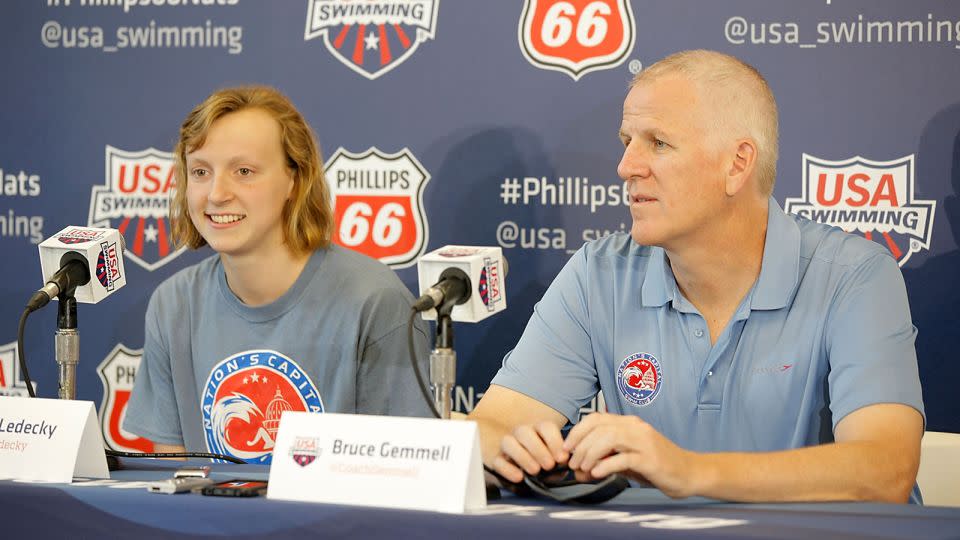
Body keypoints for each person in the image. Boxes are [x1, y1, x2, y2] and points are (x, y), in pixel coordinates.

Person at [468, 50, 925, 503]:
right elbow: (488, 428)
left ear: (737, 164)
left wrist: (685, 470)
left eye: (659, 143)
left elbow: (884, 471)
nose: (626, 167)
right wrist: (511, 448)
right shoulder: (599, 273)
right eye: (627, 141)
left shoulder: (854, 276)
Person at [124, 86, 432, 464]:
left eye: (244, 171)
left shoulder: (373, 301)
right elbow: (172, 477)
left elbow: (402, 472)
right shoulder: (173, 304)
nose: (217, 193)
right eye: (201, 171)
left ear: (294, 180)